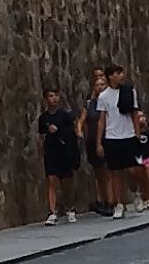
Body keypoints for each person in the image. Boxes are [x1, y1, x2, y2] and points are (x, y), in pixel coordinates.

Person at [94, 65, 140, 218]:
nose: (121, 76)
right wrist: (99, 142)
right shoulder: (104, 96)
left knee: (132, 170)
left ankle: (135, 192)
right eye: (118, 73)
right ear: (110, 76)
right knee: (114, 173)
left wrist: (137, 134)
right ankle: (119, 204)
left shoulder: (129, 91)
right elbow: (101, 119)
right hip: (112, 137)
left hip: (129, 135)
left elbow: (134, 113)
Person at [36, 87, 79, 225]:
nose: (54, 98)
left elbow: (71, 133)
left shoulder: (65, 116)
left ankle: (70, 208)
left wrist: (59, 130)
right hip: (51, 151)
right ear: (46, 99)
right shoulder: (43, 118)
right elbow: (41, 135)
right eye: (50, 96)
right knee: (52, 181)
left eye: (56, 95)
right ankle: (52, 211)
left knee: (66, 182)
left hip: (64, 151)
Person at [77, 72, 113, 216]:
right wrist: (79, 130)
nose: (100, 87)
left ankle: (111, 201)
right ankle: (102, 200)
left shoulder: (109, 102)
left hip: (106, 139)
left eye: (102, 84)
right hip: (91, 140)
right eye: (97, 85)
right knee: (98, 172)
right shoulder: (90, 103)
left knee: (108, 172)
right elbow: (82, 119)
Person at [133, 109, 149, 212]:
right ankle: (143, 197)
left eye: (143, 116)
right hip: (139, 158)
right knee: (141, 179)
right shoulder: (133, 134)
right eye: (139, 117)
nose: (141, 119)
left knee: (148, 176)